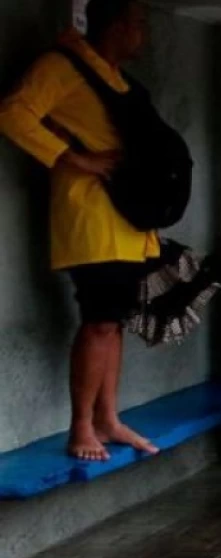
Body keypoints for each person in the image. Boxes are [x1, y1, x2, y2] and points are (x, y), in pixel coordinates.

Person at [0, 0, 159, 461]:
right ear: (116, 24)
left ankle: (108, 417)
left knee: (115, 324)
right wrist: (73, 158)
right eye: (138, 23)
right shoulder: (61, 65)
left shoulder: (113, 77)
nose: (143, 34)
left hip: (126, 219)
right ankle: (81, 426)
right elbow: (13, 114)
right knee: (99, 322)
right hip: (90, 216)